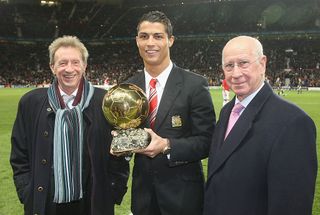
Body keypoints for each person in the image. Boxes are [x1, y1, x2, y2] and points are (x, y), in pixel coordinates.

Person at [10, 35, 129, 215]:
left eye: (75, 62)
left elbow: (120, 151)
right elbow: (19, 153)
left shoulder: (105, 101)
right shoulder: (31, 102)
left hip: (93, 201)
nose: (69, 69)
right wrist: (27, 191)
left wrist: (114, 189)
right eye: (62, 63)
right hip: (46, 202)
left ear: (84, 66)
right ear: (52, 67)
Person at [203, 36, 317, 215]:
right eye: (229, 66)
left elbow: (291, 206)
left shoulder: (293, 122)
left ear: (262, 63)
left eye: (243, 63)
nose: (236, 73)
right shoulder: (227, 111)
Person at [127, 11, 216, 215]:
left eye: (158, 36)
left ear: (170, 40)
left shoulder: (194, 84)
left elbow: (207, 140)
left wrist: (167, 145)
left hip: (183, 197)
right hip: (143, 198)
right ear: (137, 41)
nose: (150, 43)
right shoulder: (128, 87)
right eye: (144, 36)